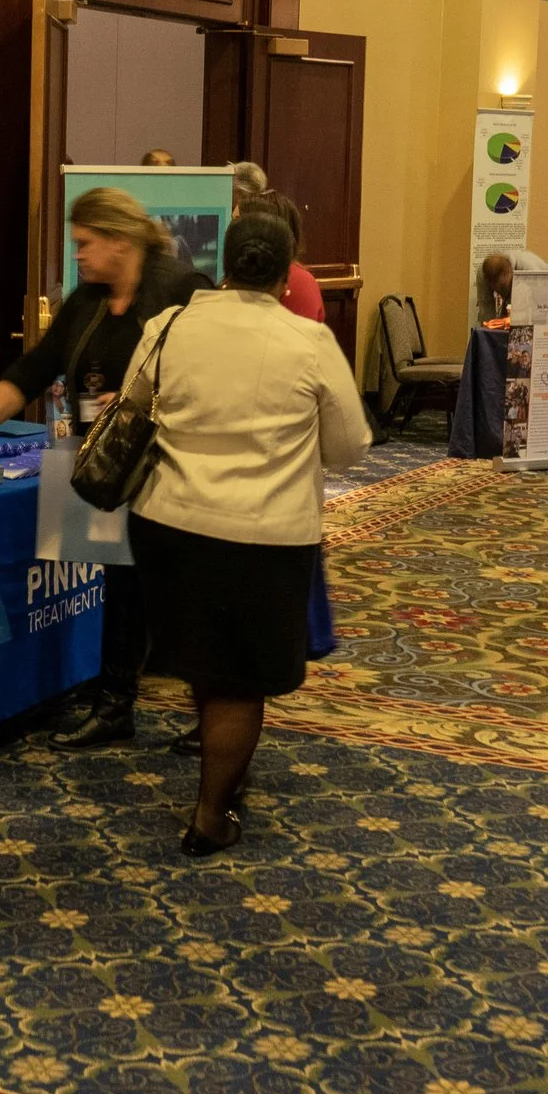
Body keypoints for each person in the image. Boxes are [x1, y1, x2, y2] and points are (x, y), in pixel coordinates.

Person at [123, 212, 368, 855]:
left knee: (207, 663)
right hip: (263, 533)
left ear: (224, 264)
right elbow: (348, 447)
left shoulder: (168, 325)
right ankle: (209, 817)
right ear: (288, 275)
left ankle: (220, 783)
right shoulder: (308, 341)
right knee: (239, 681)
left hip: (169, 525)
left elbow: (130, 406)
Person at [0, 186, 209, 749]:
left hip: (168, 465)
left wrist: (142, 405)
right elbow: (32, 371)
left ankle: (214, 712)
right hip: (102, 468)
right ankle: (114, 706)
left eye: (84, 243)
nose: (76, 255)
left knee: (183, 587)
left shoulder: (184, 289)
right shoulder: (86, 301)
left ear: (120, 240)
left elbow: (209, 381)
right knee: (120, 582)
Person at [236, 191, 325, 322]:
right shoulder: (245, 271)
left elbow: (293, 340)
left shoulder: (297, 281)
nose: (229, 229)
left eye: (236, 222)